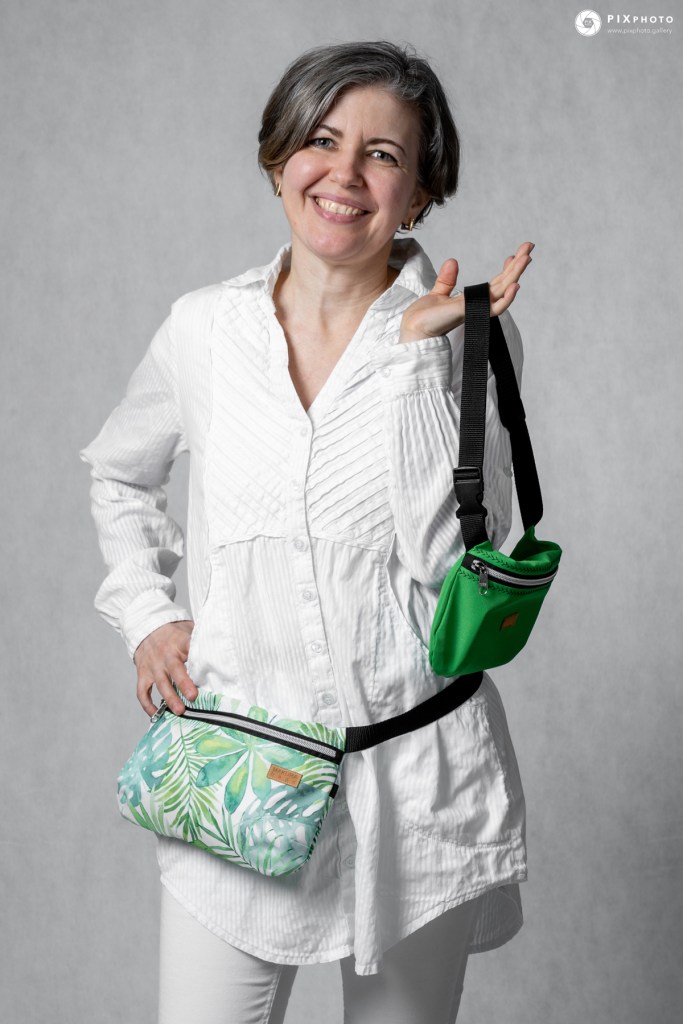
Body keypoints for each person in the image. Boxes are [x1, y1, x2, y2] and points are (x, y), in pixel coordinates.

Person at [80, 40, 533, 1024]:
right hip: (238, 775)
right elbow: (119, 471)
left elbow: (452, 566)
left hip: (415, 785)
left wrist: (417, 363)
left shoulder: (468, 336)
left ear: (420, 192)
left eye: (383, 153)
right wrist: (149, 615)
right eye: (321, 140)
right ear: (279, 156)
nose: (344, 173)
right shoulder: (203, 330)